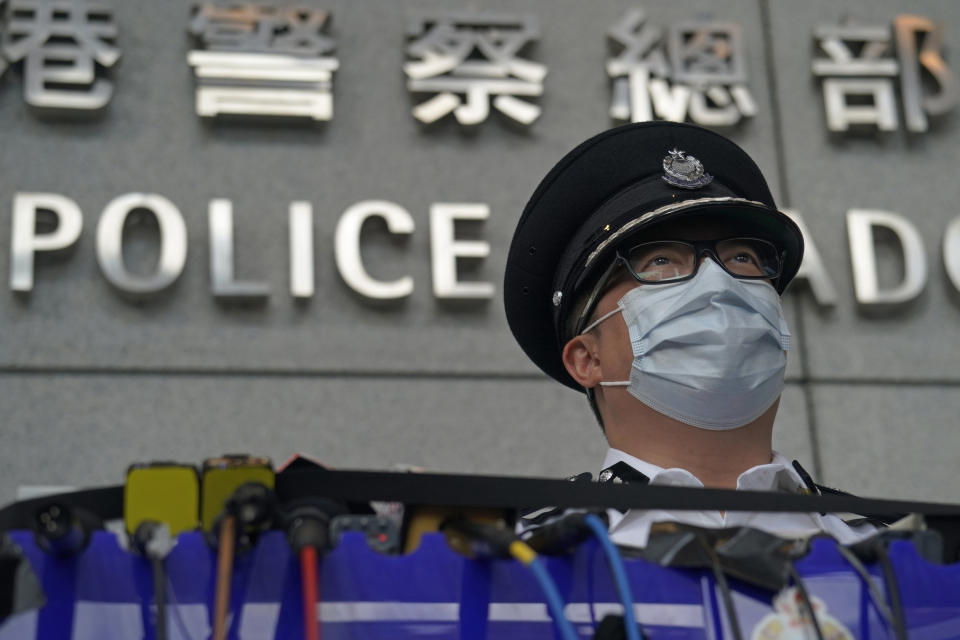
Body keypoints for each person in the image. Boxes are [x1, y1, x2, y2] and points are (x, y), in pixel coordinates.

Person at [503, 121, 877, 547]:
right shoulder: (521, 561)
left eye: (742, 258)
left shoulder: (897, 555)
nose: (719, 283)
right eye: (661, 261)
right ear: (588, 359)